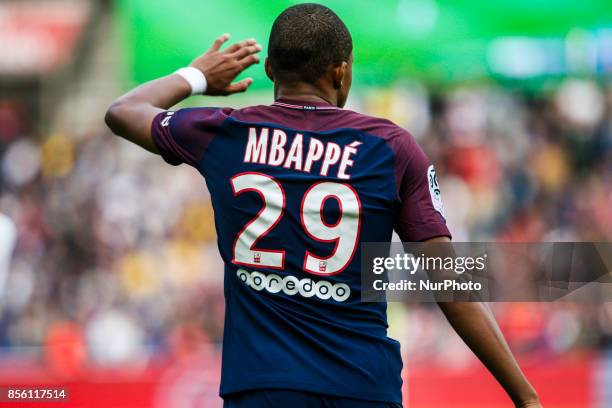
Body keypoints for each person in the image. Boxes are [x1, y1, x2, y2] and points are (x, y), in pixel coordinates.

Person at [105, 3, 541, 407]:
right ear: (341, 72)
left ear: (271, 69)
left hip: (262, 387)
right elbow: (449, 284)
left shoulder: (225, 134)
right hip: (362, 386)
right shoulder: (390, 147)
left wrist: (197, 76)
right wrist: (526, 397)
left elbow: (124, 110)